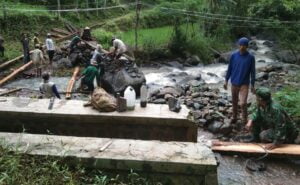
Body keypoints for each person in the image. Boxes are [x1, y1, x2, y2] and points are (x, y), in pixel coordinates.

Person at [224, 37, 256, 124]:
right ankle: (234, 117)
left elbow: (253, 72)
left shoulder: (251, 58)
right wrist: (226, 80)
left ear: (247, 47)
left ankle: (244, 119)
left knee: (243, 103)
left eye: (244, 45)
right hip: (234, 82)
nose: (242, 47)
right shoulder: (234, 56)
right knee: (234, 102)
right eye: (241, 45)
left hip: (244, 84)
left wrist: (252, 84)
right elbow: (229, 68)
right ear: (239, 45)